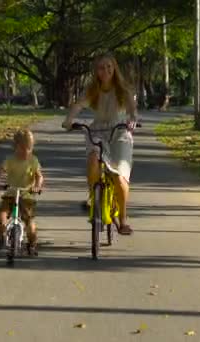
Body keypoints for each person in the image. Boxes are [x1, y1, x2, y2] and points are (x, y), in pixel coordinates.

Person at [62, 53, 137, 235]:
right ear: (96, 71)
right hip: (98, 131)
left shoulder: (122, 89)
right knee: (93, 158)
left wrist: (133, 120)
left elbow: (132, 109)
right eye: (102, 67)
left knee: (119, 176)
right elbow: (78, 105)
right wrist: (69, 120)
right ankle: (93, 199)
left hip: (120, 132)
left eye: (109, 67)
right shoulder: (92, 90)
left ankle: (123, 220)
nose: (106, 71)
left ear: (114, 68)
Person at [0, 129, 44, 256]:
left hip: (26, 195)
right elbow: (0, 170)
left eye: (29, 149)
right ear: (16, 147)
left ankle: (32, 244)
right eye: (23, 148)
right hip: (10, 194)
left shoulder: (33, 160)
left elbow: (39, 176)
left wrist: (37, 186)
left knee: (30, 223)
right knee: (0, 218)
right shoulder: (10, 160)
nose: (26, 152)